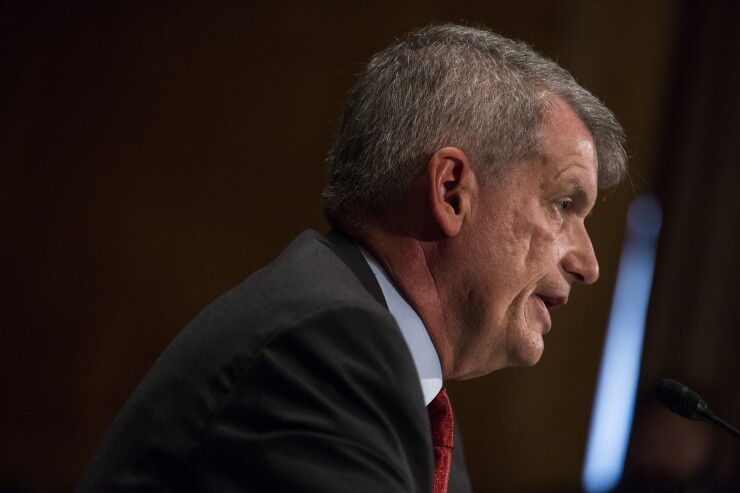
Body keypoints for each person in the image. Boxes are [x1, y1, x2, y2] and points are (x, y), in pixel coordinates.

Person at [77, 23, 627, 492]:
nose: (588, 262)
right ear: (452, 191)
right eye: (562, 204)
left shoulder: (414, 405)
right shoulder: (324, 350)